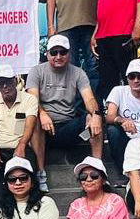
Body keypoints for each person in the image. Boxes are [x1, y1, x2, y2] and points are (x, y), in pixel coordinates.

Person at [26, 35, 103, 192]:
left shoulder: (78, 72)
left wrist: (95, 114)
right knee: (34, 119)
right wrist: (42, 113)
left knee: (94, 117)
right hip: (45, 130)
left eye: (63, 52)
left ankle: (98, 169)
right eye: (54, 52)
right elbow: (32, 99)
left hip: (69, 127)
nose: (58, 56)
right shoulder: (36, 71)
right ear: (47, 54)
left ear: (69, 53)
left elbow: (89, 98)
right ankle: (41, 173)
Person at [0, 64, 38, 203]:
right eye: (0, 83)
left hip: (20, 146)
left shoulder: (29, 99)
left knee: (28, 157)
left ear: (15, 81)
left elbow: (30, 125)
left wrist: (22, 145)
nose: (5, 86)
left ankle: (31, 199)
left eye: (7, 81)